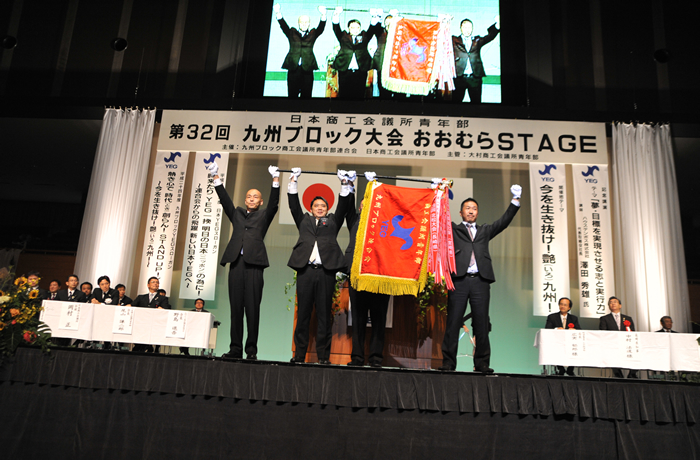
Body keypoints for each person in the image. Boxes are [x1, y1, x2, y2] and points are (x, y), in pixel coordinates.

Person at [440, 185, 522, 373]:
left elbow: (503, 222)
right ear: (461, 213)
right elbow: (438, 219)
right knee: (453, 322)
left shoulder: (485, 230)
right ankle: (448, 363)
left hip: (480, 281)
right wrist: (435, 193)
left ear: (478, 213)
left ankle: (482, 363)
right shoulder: (454, 229)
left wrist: (515, 201)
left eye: (474, 208)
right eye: (467, 208)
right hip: (459, 281)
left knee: (481, 323)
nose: (471, 211)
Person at [208, 161, 280, 361]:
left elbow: (274, 203)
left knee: (253, 309)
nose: (251, 198)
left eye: (255, 196)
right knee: (236, 309)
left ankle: (251, 350)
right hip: (236, 264)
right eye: (249, 196)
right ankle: (235, 348)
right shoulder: (237, 213)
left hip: (254, 265)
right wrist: (216, 177)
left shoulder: (264, 216)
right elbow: (225, 201)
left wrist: (275, 179)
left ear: (260, 201)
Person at [288, 168, 351, 364]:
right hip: (306, 272)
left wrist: (343, 184)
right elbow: (293, 206)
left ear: (327, 209)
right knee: (303, 315)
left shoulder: (332, 221)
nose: (320, 208)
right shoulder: (304, 221)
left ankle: (324, 357)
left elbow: (343, 207)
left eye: (323, 206)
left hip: (325, 273)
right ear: (311, 208)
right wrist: (293, 181)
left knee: (324, 316)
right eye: (316, 205)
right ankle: (299, 356)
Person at [345, 172, 391, 368]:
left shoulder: (385, 224)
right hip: (358, 276)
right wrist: (349, 184)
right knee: (358, 318)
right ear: (360, 207)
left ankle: (375, 358)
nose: (367, 206)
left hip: (380, 276)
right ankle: (357, 358)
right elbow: (347, 206)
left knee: (379, 319)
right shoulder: (354, 220)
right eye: (364, 204)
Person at [273, 3, 327, 98]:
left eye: (306, 22)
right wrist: (278, 12)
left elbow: (321, 28)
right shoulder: (292, 32)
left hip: (307, 70)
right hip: (293, 69)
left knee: (306, 96)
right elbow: (283, 26)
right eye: (302, 22)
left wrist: (323, 14)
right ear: (298, 23)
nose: (304, 24)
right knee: (292, 96)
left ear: (309, 23)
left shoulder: (313, 33)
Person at [331, 7, 381, 99]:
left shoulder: (364, 37)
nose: (355, 29)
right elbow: (336, 27)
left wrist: (374, 17)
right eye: (353, 27)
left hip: (360, 72)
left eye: (358, 27)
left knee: (359, 95)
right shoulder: (343, 36)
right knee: (344, 95)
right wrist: (336, 14)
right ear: (349, 28)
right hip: (345, 71)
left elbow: (372, 29)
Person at [451, 17, 499, 103]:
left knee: (476, 103)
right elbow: (443, 38)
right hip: (459, 77)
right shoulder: (454, 40)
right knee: (456, 103)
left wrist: (497, 25)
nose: (467, 30)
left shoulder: (477, 40)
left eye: (469, 27)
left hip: (475, 78)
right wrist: (444, 21)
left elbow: (490, 36)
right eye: (465, 27)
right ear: (460, 28)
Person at [599, 296, 638, 378]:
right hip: (612, 344)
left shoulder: (628, 318)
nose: (613, 304)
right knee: (613, 360)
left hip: (626, 343)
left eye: (615, 302)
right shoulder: (604, 318)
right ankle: (619, 376)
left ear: (620, 305)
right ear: (609, 306)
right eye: (610, 303)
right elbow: (603, 332)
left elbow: (632, 332)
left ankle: (631, 375)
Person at [131, 277, 171, 352]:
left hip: (154, 324)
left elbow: (166, 309)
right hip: (141, 324)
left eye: (157, 282)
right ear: (148, 285)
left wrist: (161, 309)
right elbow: (132, 306)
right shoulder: (141, 297)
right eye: (153, 282)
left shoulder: (163, 298)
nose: (155, 283)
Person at [544, 297, 581, 376]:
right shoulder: (552, 317)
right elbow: (547, 329)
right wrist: (556, 329)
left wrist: (574, 329)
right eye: (561, 304)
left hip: (569, 342)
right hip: (556, 342)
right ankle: (560, 369)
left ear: (569, 307)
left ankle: (570, 369)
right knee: (556, 349)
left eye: (565, 305)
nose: (562, 306)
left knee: (575, 347)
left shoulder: (573, 318)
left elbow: (579, 330)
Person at [370, 10, 402, 99]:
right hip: (382, 66)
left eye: (391, 23)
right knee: (383, 92)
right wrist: (378, 16)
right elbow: (376, 26)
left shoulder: (400, 33)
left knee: (397, 93)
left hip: (396, 67)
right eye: (387, 23)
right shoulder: (381, 32)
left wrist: (397, 16)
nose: (388, 25)